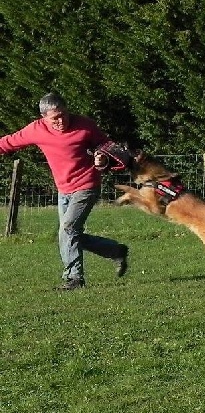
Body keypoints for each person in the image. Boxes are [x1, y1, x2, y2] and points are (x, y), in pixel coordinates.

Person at [0, 92, 128, 290]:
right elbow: (8, 142)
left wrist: (102, 158)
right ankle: (115, 250)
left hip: (87, 185)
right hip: (63, 189)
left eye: (63, 114)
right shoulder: (36, 130)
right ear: (44, 118)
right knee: (69, 234)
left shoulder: (85, 125)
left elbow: (107, 147)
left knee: (67, 230)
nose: (61, 120)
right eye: (55, 118)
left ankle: (75, 278)